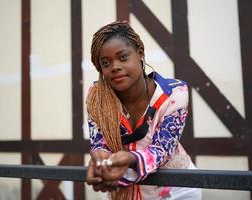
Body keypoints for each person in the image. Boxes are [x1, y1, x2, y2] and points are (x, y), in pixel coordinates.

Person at [86, 21, 201, 200]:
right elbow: (99, 142)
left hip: (175, 190)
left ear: (140, 54)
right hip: (122, 189)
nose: (114, 66)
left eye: (123, 57)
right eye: (106, 63)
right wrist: (100, 158)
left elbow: (162, 149)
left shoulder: (174, 93)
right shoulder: (96, 96)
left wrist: (130, 158)